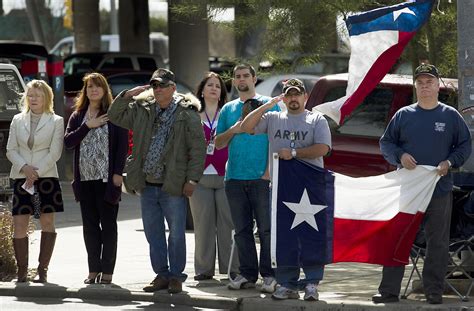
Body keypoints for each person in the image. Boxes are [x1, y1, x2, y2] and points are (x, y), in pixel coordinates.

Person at [374, 64, 471, 305]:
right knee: (397, 237)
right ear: (415, 86)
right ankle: (388, 291)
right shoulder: (403, 115)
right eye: (421, 82)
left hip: (439, 189)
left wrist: (450, 162)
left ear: (438, 85)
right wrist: (400, 157)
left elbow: (464, 147)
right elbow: (386, 144)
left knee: (437, 243)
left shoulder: (450, 116)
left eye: (430, 82)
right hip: (407, 189)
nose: (425, 86)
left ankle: (434, 293)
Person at [108, 68, 206, 294]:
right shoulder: (142, 109)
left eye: (162, 86)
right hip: (147, 184)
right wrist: (127, 95)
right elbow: (115, 115)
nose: (157, 89)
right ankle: (161, 274)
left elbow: (198, 149)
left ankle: (176, 277)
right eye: (154, 85)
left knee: (177, 234)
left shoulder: (187, 113)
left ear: (173, 88)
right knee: (153, 234)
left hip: (173, 185)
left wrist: (192, 179)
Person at [241, 78, 331, 301]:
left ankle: (311, 282)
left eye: (297, 94)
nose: (293, 98)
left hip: (311, 189)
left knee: (311, 235)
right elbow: (246, 127)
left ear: (305, 97)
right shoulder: (273, 118)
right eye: (288, 94)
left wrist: (293, 154)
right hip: (281, 188)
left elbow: (323, 148)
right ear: (283, 97)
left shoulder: (316, 119)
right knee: (284, 237)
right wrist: (268, 104)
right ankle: (287, 283)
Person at [215, 63, 279, 292]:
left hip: (262, 178)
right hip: (234, 178)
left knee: (266, 230)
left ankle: (270, 275)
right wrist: (234, 129)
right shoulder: (228, 109)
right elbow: (218, 142)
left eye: (245, 76)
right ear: (234, 81)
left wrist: (268, 172)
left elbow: (276, 139)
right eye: (237, 76)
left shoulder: (268, 106)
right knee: (242, 230)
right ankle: (248, 275)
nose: (241, 80)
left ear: (254, 78)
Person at [64, 73, 128, 285]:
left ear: (104, 90)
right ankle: (93, 271)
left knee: (108, 226)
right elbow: (68, 142)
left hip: (107, 180)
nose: (93, 90)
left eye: (97, 86)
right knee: (90, 228)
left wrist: (118, 173)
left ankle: (107, 271)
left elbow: (121, 146)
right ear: (85, 91)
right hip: (85, 181)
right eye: (90, 87)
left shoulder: (113, 114)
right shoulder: (78, 115)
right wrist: (87, 126)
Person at [6, 79, 64, 283]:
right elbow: (10, 150)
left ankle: (43, 270)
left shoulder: (56, 120)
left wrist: (35, 173)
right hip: (22, 177)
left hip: (46, 177)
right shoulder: (17, 119)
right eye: (30, 95)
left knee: (47, 222)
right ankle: (22, 271)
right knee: (19, 223)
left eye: (37, 95)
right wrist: (26, 169)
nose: (33, 98)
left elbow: (55, 152)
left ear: (46, 97)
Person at [189, 72, 239, 281]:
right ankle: (203, 270)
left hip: (225, 176)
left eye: (218, 86)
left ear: (221, 93)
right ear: (201, 90)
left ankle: (231, 269)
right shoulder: (191, 115)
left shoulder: (228, 114)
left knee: (228, 224)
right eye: (209, 85)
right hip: (199, 178)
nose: (213, 89)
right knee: (203, 225)